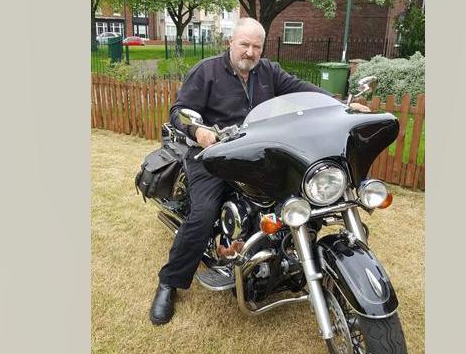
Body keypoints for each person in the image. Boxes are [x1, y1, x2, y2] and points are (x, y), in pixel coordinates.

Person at [149, 18, 358, 325]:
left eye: (256, 46)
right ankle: (170, 281)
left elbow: (301, 89)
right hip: (212, 154)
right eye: (244, 44)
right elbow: (179, 111)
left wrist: (340, 105)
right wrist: (199, 132)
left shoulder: (268, 72)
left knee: (297, 199)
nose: (249, 52)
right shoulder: (206, 71)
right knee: (203, 214)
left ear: (262, 48)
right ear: (230, 43)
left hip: (258, 155)